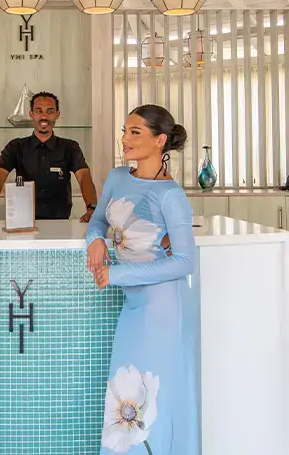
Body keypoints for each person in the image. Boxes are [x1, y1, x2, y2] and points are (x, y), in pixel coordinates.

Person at [84, 104, 198, 455]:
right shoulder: (118, 177)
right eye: (124, 130)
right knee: (127, 397)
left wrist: (116, 273)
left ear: (160, 140)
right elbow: (97, 220)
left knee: (151, 402)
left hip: (162, 309)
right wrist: (95, 241)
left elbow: (184, 262)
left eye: (135, 132)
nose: (125, 139)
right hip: (134, 305)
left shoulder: (170, 195)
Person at [0, 91, 100, 224]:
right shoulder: (15, 147)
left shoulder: (70, 147)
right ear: (31, 115)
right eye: (39, 111)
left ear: (57, 115)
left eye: (50, 111)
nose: (44, 116)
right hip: (22, 223)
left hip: (60, 225)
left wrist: (92, 208)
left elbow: (84, 177)